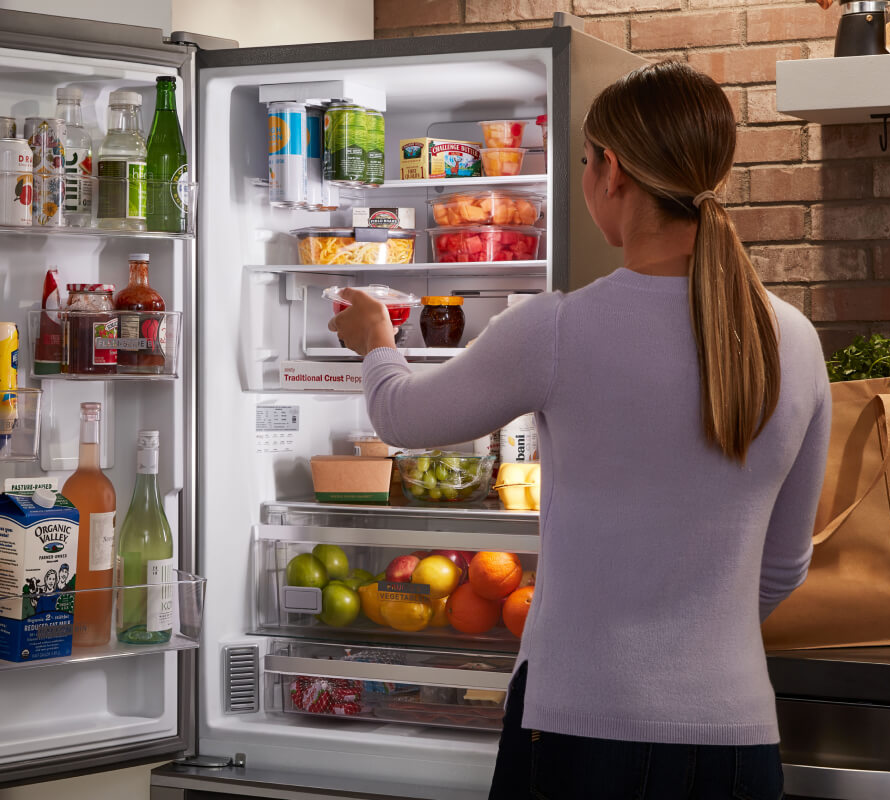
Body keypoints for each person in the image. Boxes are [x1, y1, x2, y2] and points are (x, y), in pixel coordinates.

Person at [328, 62, 830, 799]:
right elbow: (784, 566)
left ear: (613, 171)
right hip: (736, 742)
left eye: (587, 161)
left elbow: (403, 415)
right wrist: (684, 636)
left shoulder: (558, 330)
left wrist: (374, 335)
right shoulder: (793, 338)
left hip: (580, 730)